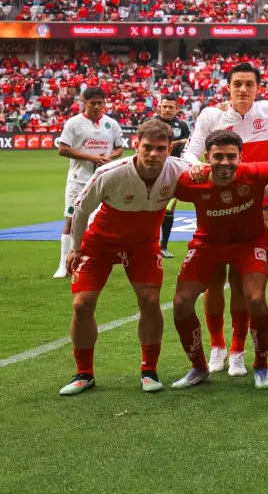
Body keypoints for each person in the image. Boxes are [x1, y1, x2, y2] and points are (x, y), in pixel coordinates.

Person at [59, 119, 188, 396]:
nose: (153, 154)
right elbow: (81, 210)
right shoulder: (110, 172)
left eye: (161, 148)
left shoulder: (180, 170)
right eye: (147, 147)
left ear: (170, 149)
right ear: (136, 145)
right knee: (82, 304)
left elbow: (207, 174)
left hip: (142, 246)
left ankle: (149, 370)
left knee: (150, 301)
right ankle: (84, 373)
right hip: (99, 244)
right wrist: (76, 248)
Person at [184, 61, 268, 376]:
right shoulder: (211, 115)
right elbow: (190, 151)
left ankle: (237, 351)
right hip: (215, 206)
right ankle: (217, 347)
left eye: (249, 84)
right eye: (237, 84)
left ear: (258, 88)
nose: (243, 89)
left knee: (242, 285)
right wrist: (196, 166)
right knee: (213, 283)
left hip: (253, 204)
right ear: (227, 87)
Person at [169, 130, 268, 389]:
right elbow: (161, 179)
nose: (225, 162)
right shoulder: (190, 181)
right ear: (207, 157)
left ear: (241, 157)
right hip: (208, 244)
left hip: (248, 244)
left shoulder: (256, 172)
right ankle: (203, 362)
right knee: (182, 302)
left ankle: (253, 361)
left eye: (231, 156)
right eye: (218, 157)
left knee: (254, 299)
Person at [54, 87, 125, 279]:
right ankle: (63, 264)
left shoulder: (111, 124)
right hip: (78, 179)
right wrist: (90, 157)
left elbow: (119, 148)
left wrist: (109, 157)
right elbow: (62, 149)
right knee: (71, 220)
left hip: (104, 179)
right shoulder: (73, 123)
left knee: (100, 221)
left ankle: (94, 261)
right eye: (92, 103)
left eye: (100, 103)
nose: (96, 106)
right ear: (84, 103)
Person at [153, 96, 191, 260]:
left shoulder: (181, 125)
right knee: (150, 208)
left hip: (173, 172)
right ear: (159, 107)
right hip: (153, 170)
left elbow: (190, 141)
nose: (167, 110)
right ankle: (149, 245)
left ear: (176, 109)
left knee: (169, 210)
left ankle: (164, 246)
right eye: (165, 106)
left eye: (171, 107)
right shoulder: (152, 123)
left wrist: (178, 142)